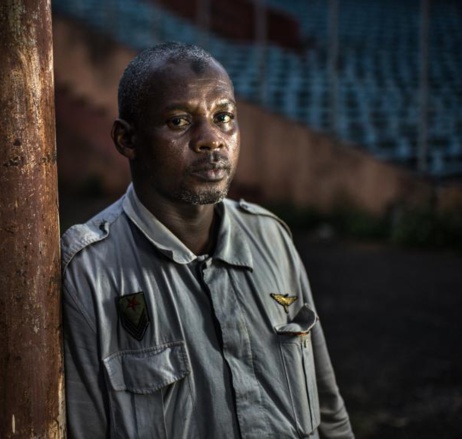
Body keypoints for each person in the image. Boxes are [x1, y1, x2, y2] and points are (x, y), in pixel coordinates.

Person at [61, 42, 353, 438]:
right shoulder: (89, 270)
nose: (211, 140)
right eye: (180, 121)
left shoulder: (271, 235)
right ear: (126, 140)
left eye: (223, 117)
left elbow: (328, 407)